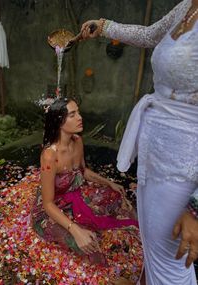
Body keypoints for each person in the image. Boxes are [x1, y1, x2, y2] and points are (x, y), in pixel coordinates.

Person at [81, 0, 198, 284]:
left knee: (173, 261)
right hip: (154, 151)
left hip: (185, 167)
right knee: (152, 244)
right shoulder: (186, 6)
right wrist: (106, 26)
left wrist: (194, 206)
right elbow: (149, 35)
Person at [31, 97, 143, 284]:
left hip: (75, 196)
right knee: (86, 243)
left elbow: (82, 171)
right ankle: (108, 276)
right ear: (59, 121)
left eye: (78, 112)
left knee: (115, 196)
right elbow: (48, 203)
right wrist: (75, 230)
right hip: (50, 210)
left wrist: (108, 182)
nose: (80, 118)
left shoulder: (77, 140)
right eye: (73, 115)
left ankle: (141, 235)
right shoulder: (49, 155)